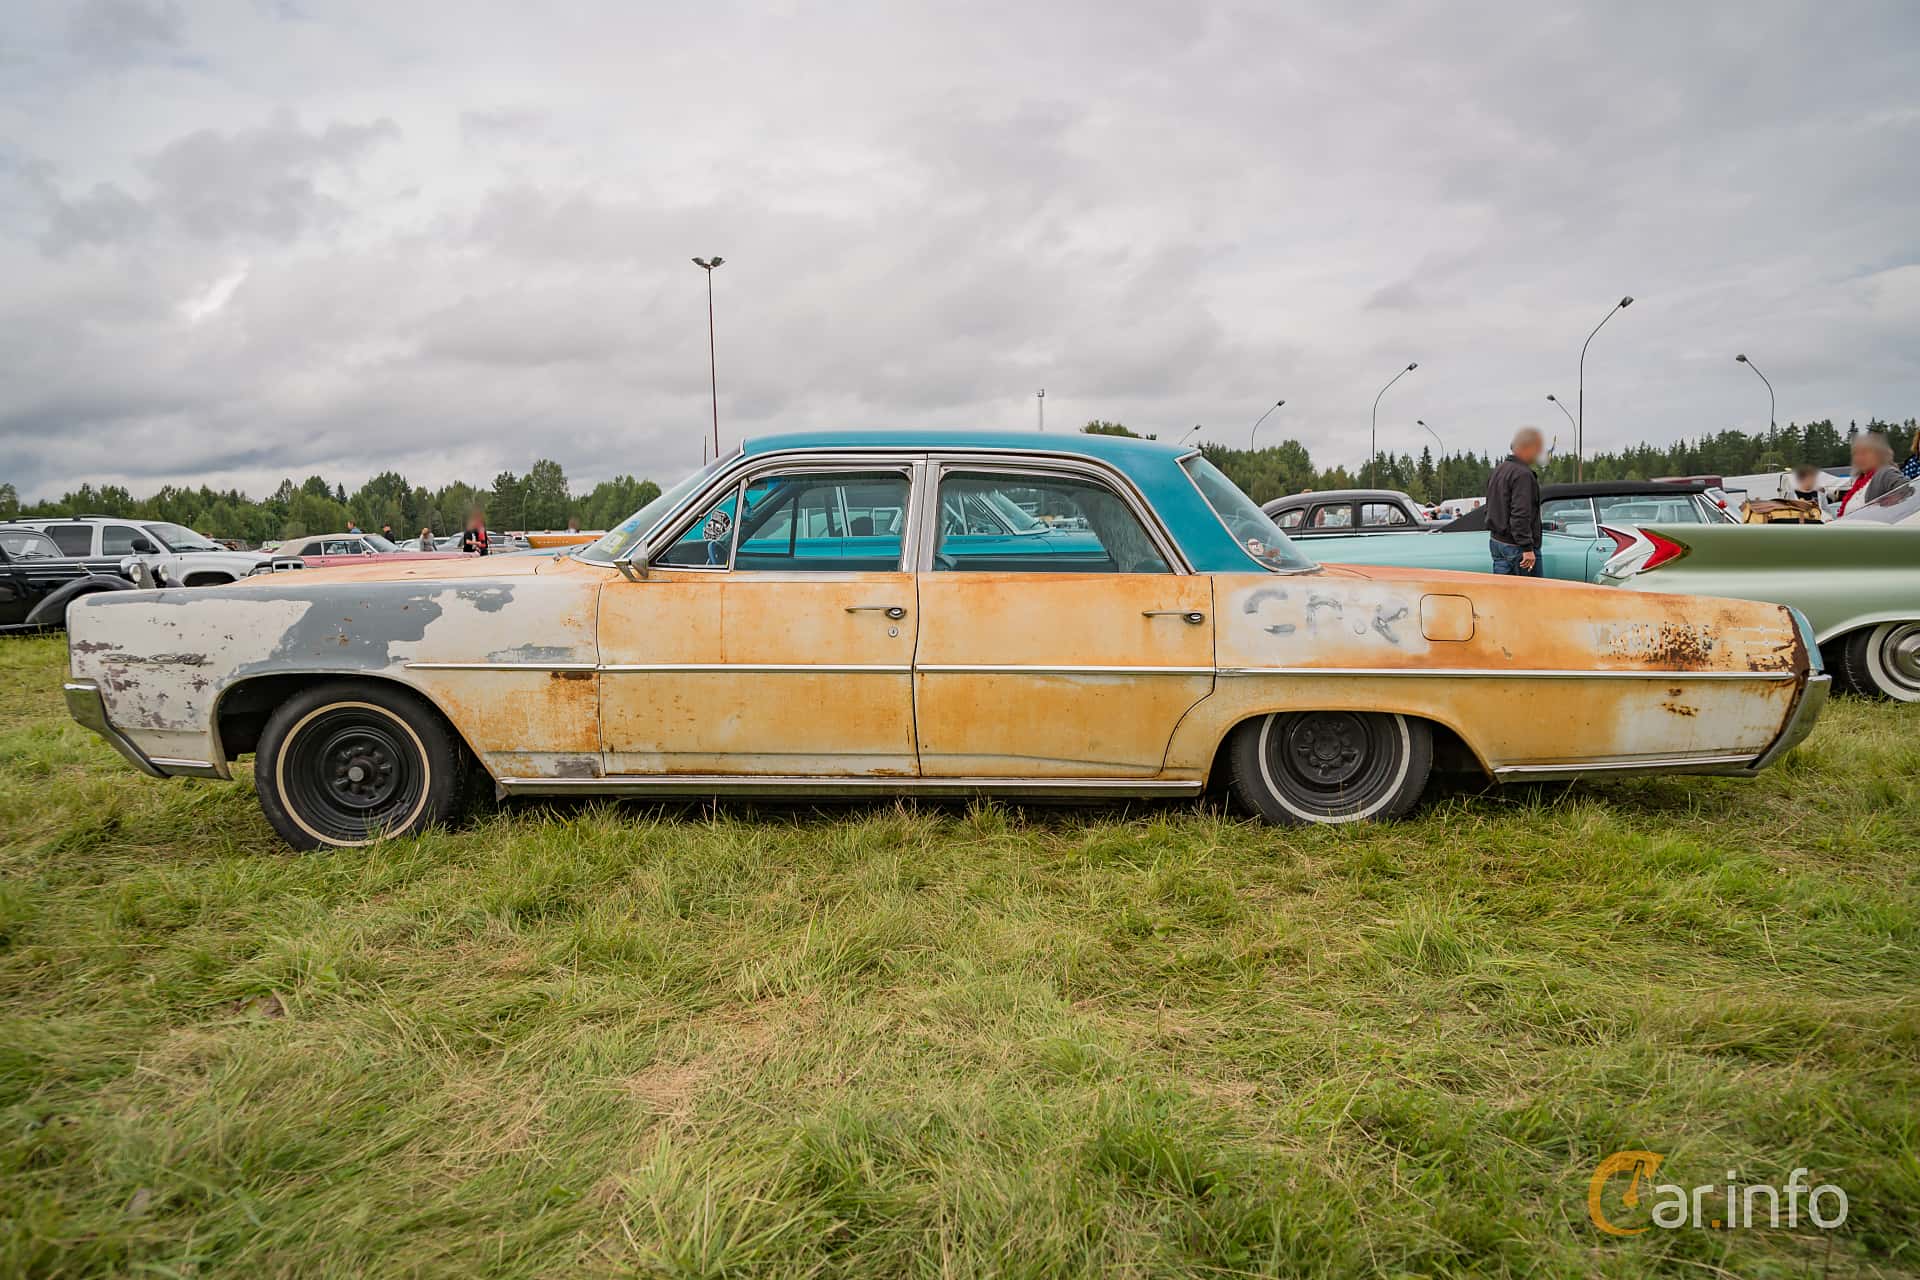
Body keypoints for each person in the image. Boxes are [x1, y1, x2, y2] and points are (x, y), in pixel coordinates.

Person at [1485, 426, 1544, 576]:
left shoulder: (1499, 470)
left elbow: (1491, 506)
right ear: (1527, 448)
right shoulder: (1523, 475)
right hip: (1516, 547)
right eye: (1537, 448)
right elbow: (1520, 513)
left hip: (1497, 542)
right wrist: (1527, 548)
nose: (1538, 453)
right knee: (1527, 596)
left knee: (1503, 595)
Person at [1836, 432, 1903, 517]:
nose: (1859, 457)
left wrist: (1885, 507)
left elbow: (1908, 491)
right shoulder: (1858, 481)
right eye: (1855, 453)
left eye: (1864, 452)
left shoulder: (1886, 473)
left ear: (1880, 455)